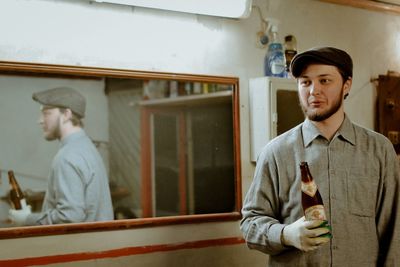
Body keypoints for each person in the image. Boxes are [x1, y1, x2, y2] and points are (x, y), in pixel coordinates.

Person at [240, 47, 400, 266]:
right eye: (305, 82)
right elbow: (250, 224)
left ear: (347, 85)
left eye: (325, 81)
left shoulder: (379, 150)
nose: (314, 91)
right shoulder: (275, 153)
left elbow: (394, 232)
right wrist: (286, 234)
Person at [9, 87, 114, 225]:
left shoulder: (67, 156)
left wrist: (27, 219)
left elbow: (70, 216)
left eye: (46, 113)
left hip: (79, 246)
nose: (40, 120)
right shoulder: (87, 146)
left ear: (66, 115)